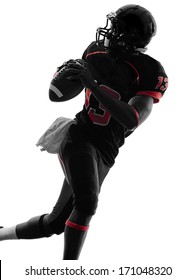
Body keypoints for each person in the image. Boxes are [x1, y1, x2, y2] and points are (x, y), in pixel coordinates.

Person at [0, 4, 168, 260]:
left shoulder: (150, 71)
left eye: (118, 30)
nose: (110, 32)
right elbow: (55, 96)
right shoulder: (95, 51)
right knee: (87, 203)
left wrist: (93, 83)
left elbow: (132, 119)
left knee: (56, 224)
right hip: (79, 136)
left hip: (106, 151)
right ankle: (71, 271)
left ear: (133, 37)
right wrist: (66, 73)